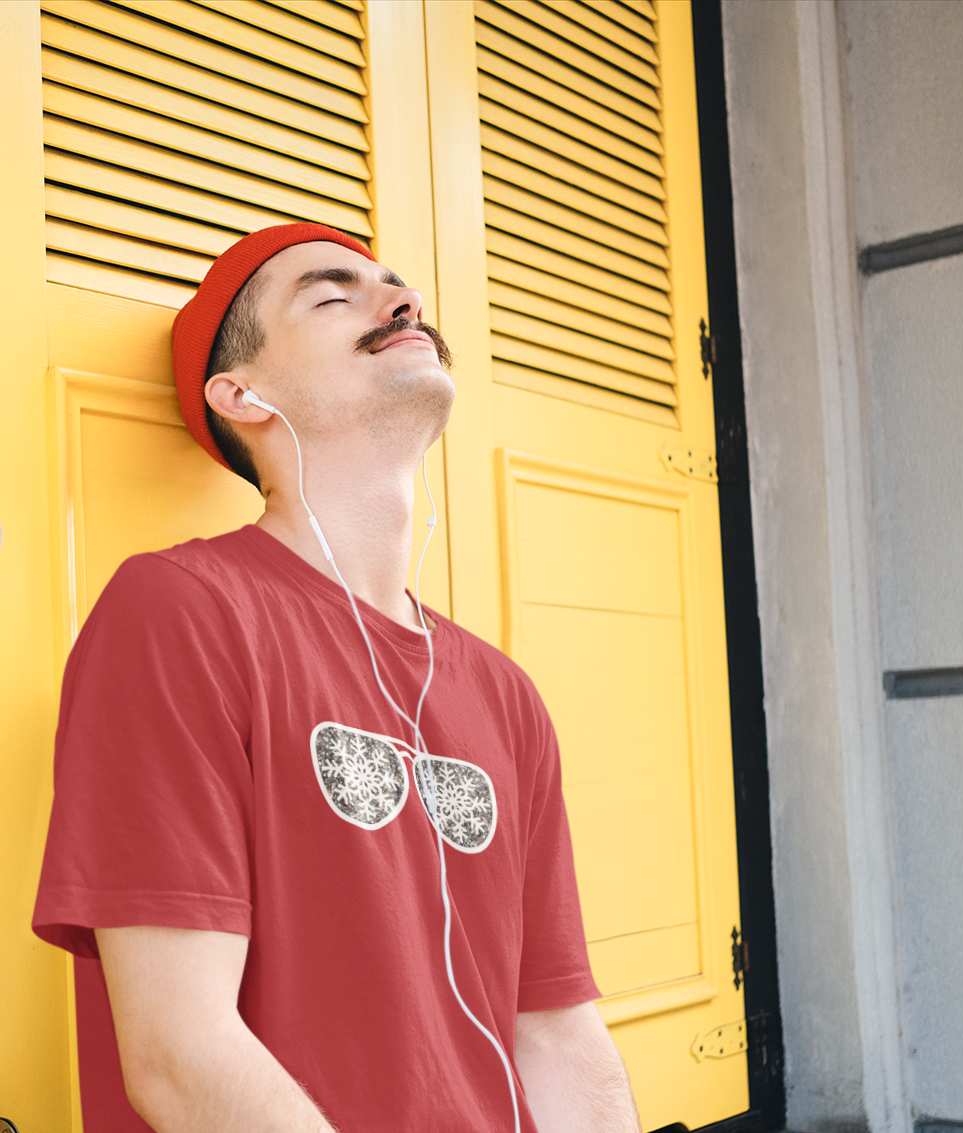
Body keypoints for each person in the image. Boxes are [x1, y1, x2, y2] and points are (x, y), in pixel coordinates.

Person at [33, 223, 641, 1132]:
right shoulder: (178, 612)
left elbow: (556, 1031)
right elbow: (178, 1053)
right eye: (331, 294)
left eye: (400, 290)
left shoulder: (504, 694)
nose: (404, 304)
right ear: (241, 394)